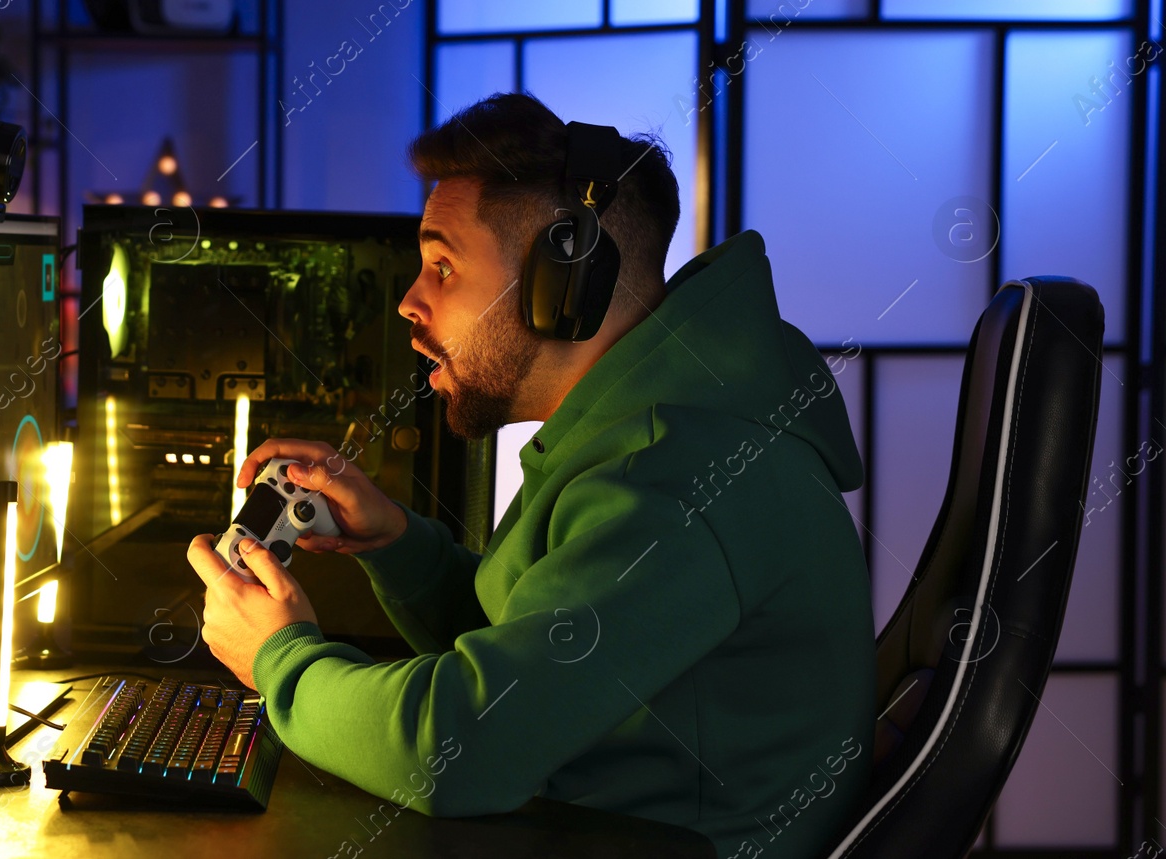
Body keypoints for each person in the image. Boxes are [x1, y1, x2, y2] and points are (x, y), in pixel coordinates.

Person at [185, 92, 875, 859]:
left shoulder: (681, 477)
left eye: (442, 266)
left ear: (565, 278)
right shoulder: (641, 433)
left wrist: (278, 659)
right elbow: (533, 658)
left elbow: (457, 747)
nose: (410, 303)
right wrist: (395, 542)